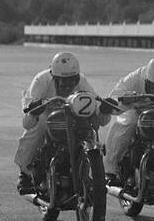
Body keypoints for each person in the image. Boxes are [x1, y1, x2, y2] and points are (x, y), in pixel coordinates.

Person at [15, 51, 102, 193]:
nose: (68, 86)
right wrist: (34, 110)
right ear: (54, 77)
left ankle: (87, 168)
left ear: (77, 78)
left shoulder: (82, 81)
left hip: (72, 114)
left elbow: (94, 102)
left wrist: (100, 109)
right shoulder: (41, 80)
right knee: (39, 125)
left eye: (72, 81)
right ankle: (25, 172)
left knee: (91, 124)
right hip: (47, 113)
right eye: (63, 81)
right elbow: (27, 121)